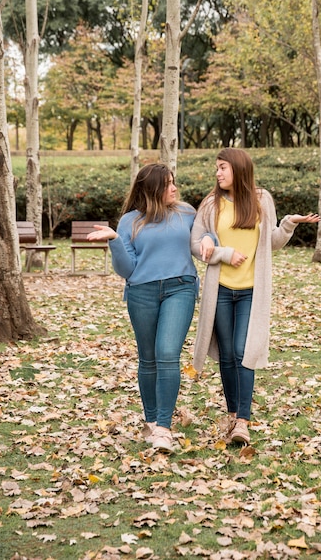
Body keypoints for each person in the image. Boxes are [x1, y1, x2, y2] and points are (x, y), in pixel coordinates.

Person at [190, 148, 320, 445]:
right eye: (217, 168)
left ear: (238, 168)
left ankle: (243, 421)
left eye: (223, 167)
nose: (218, 173)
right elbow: (195, 244)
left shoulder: (262, 200)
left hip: (251, 291)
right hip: (220, 290)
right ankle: (234, 414)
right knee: (225, 356)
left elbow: (271, 242)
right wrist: (223, 253)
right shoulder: (211, 205)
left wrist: (289, 224)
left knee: (242, 352)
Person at [87, 163, 198, 454]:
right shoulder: (129, 222)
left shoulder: (187, 213)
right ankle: (150, 423)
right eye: (168, 184)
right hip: (142, 293)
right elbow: (127, 270)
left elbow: (203, 240)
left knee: (167, 353)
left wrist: (210, 240)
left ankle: (163, 428)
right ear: (152, 190)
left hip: (181, 288)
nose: (174, 188)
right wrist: (113, 241)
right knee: (148, 359)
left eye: (174, 182)